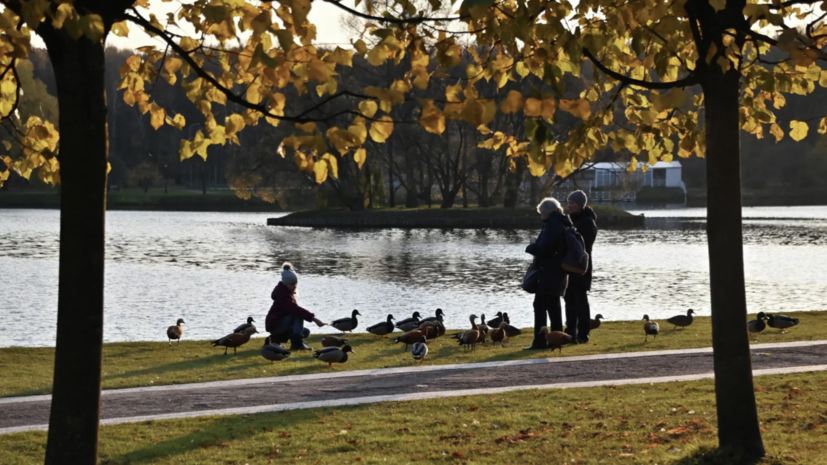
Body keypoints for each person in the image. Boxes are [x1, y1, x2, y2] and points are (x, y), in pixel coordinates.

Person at [523, 197, 573, 350]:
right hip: (560, 272)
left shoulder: (552, 226)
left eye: (542, 213)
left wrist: (532, 245)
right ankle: (556, 340)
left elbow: (545, 249)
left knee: (539, 306)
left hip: (549, 273)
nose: (541, 216)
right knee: (554, 307)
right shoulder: (564, 223)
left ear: (547, 212)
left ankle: (540, 341)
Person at [265, 263, 327, 350]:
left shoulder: (285, 292)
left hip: (278, 325)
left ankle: (276, 339)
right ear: (286, 284)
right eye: (292, 284)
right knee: (297, 315)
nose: (294, 287)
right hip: (275, 326)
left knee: (305, 332)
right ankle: (297, 344)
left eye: (295, 284)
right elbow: (296, 310)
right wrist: (314, 319)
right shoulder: (282, 295)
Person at [564, 190, 598, 344]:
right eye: (568, 203)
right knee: (569, 298)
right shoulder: (572, 220)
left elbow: (585, 246)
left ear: (581, 204)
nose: (569, 206)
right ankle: (570, 330)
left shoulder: (587, 222)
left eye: (572, 203)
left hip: (581, 267)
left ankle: (583, 332)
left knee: (580, 299)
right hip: (570, 266)